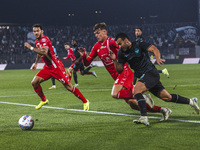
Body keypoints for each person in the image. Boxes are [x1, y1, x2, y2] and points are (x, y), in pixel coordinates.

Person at [78, 22, 171, 121]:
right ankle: (163, 110)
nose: (96, 35)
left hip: (124, 73)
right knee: (133, 104)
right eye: (95, 34)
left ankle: (140, 94)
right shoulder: (96, 47)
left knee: (114, 94)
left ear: (104, 31)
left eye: (98, 32)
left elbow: (125, 49)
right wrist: (83, 55)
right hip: (116, 76)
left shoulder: (112, 42)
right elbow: (87, 63)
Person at [111, 32, 199, 126]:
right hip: (144, 77)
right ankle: (191, 102)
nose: (119, 46)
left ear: (126, 41)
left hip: (151, 72)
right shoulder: (121, 53)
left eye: (120, 43)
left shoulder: (139, 44)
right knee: (167, 97)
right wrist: (114, 60)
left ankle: (144, 117)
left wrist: (158, 58)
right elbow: (119, 70)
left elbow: (154, 49)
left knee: (137, 90)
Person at [24, 24, 89, 111]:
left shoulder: (44, 39)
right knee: (34, 82)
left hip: (56, 67)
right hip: (47, 67)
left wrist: (31, 48)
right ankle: (44, 100)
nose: (36, 33)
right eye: (34, 31)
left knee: (68, 87)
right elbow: (39, 53)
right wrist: (36, 63)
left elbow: (44, 51)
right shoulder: (37, 42)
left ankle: (85, 101)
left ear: (42, 31)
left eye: (37, 31)